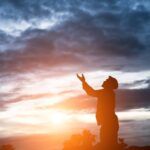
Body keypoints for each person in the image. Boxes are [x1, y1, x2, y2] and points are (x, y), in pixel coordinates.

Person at [77, 74, 119, 148]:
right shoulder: (108, 92)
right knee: (109, 144)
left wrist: (83, 82)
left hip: (109, 122)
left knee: (108, 145)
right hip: (109, 122)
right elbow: (91, 92)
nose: (104, 81)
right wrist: (83, 82)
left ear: (109, 84)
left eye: (106, 81)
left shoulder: (106, 92)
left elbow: (91, 92)